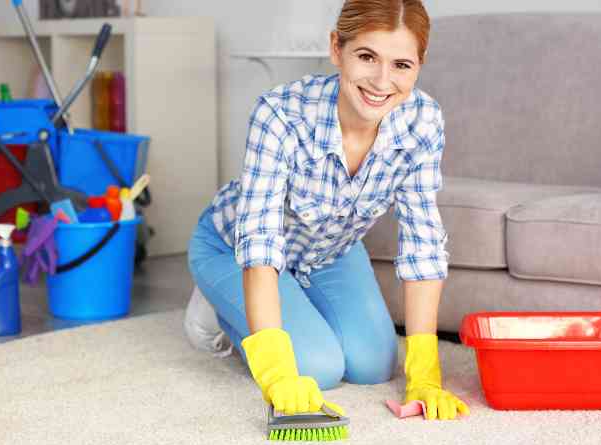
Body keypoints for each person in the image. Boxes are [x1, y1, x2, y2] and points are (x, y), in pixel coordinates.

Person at [185, 0, 469, 421]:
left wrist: (425, 374)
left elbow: (423, 241)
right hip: (235, 248)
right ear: (338, 49)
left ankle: (297, 302)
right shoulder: (280, 113)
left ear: (420, 65)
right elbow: (261, 243)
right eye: (367, 57)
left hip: (329, 251)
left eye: (402, 65)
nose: (382, 81)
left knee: (374, 366)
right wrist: (277, 374)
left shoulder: (422, 121)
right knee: (317, 367)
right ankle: (214, 305)